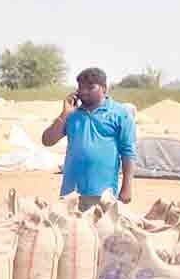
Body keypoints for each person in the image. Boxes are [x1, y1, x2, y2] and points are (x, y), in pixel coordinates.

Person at [41, 67, 137, 212]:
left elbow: (128, 152)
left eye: (90, 87)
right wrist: (65, 113)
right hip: (71, 193)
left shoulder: (120, 114)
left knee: (102, 226)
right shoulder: (72, 115)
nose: (84, 92)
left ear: (104, 89)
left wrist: (127, 186)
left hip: (103, 194)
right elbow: (47, 140)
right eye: (81, 87)